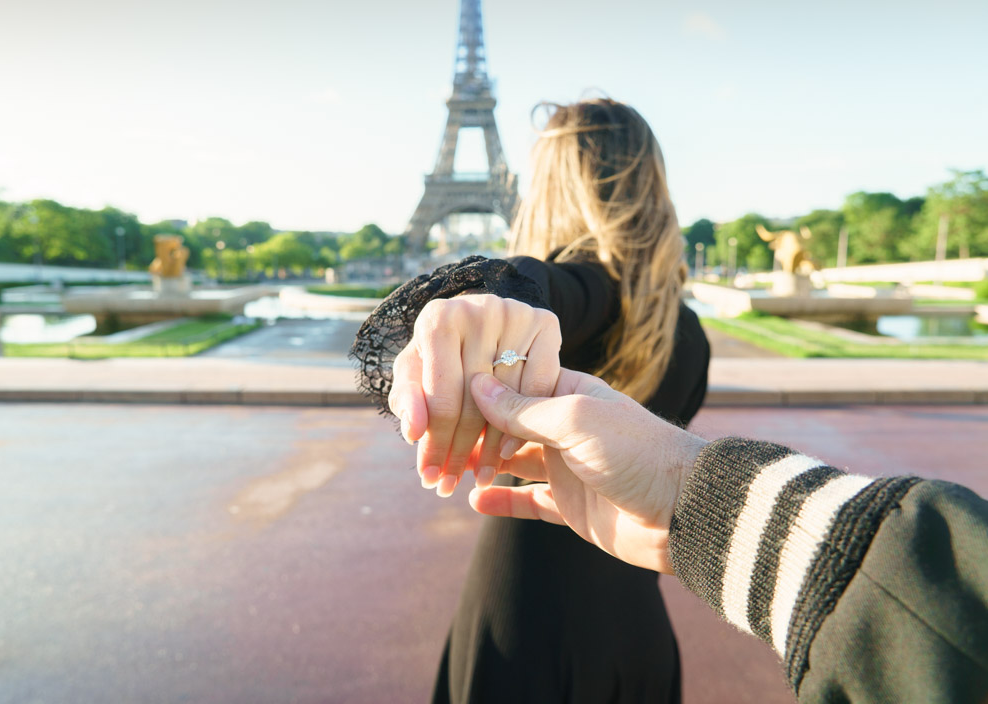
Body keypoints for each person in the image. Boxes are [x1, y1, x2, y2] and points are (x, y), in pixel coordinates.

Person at [351, 97, 710, 702]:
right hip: (634, 616)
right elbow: (544, 285)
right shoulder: (690, 333)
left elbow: (547, 284)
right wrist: (497, 297)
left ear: (545, 185)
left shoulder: (574, 293)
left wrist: (491, 299)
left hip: (523, 612)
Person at [464, 369, 988, 703]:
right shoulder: (684, 322)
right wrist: (691, 492)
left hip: (562, 564)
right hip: (638, 563)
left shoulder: (554, 294)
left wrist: (505, 293)